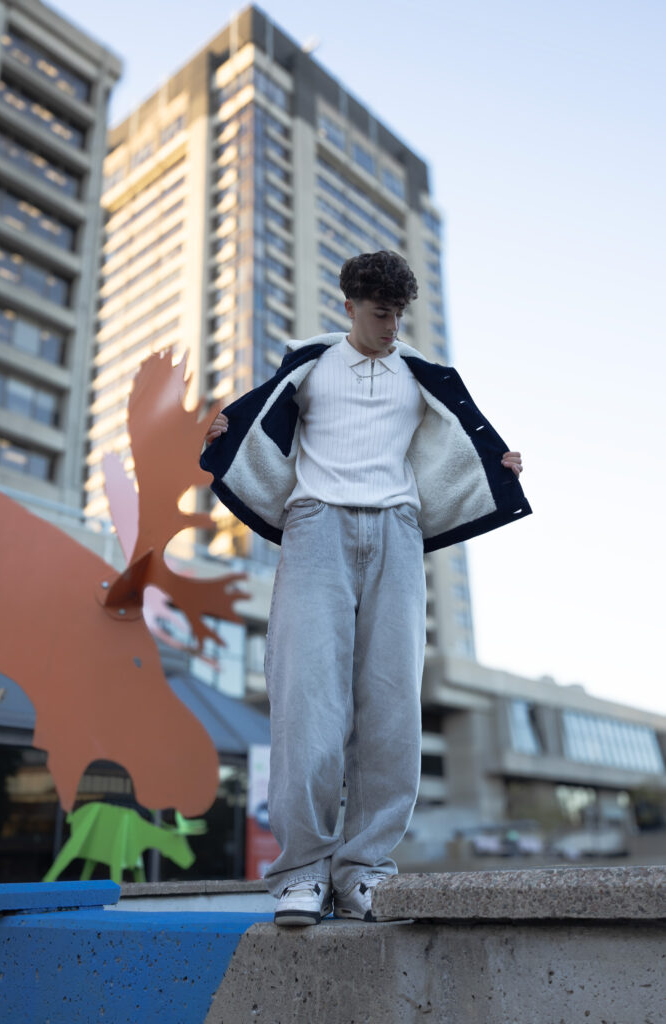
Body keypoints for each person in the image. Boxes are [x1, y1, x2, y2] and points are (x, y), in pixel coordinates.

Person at [201, 250, 530, 926]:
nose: (392, 326)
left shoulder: (420, 377)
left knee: (390, 707)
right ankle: (300, 874)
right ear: (349, 306)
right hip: (316, 528)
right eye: (380, 313)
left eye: (400, 314)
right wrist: (222, 437)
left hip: (397, 535)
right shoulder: (311, 366)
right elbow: (254, 430)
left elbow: (454, 449)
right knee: (307, 701)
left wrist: (498, 466)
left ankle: (366, 873)